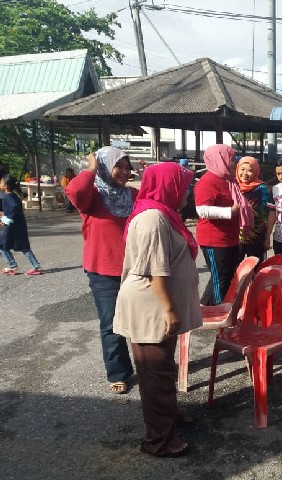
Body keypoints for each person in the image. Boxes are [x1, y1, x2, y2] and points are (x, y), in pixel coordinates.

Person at [114, 162, 202, 458]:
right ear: (169, 186)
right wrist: (169, 309)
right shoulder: (153, 218)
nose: (188, 193)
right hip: (151, 306)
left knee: (162, 369)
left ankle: (169, 418)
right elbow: (155, 271)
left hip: (156, 305)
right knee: (155, 375)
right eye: (184, 186)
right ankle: (160, 441)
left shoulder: (163, 213)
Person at [65, 147, 136, 395]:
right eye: (119, 166)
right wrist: (91, 168)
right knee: (111, 324)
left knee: (141, 321)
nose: (125, 172)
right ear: (105, 167)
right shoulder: (92, 196)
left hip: (135, 268)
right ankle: (118, 372)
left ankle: (147, 365)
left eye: (128, 168)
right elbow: (74, 191)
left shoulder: (133, 195)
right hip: (103, 271)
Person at [195, 145, 253, 306]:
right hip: (214, 240)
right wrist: (230, 212)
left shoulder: (229, 180)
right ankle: (219, 311)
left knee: (226, 276)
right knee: (220, 278)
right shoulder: (207, 181)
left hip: (229, 238)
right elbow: (202, 210)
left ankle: (206, 308)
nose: (235, 162)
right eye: (232, 159)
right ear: (221, 159)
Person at [0, 175, 43, 275]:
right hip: (19, 225)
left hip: (12, 227)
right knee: (24, 247)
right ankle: (36, 266)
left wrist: (5, 220)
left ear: (6, 186)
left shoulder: (8, 197)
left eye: (1, 182)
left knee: (2, 245)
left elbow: (14, 208)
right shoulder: (13, 195)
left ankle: (12, 265)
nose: (0, 184)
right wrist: (3, 216)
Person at [236, 156, 269, 262]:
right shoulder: (233, 186)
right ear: (237, 169)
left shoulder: (261, 189)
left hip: (256, 234)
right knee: (236, 266)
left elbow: (263, 213)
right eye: (242, 169)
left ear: (256, 172)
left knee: (256, 265)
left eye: (250, 170)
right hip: (236, 234)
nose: (245, 173)